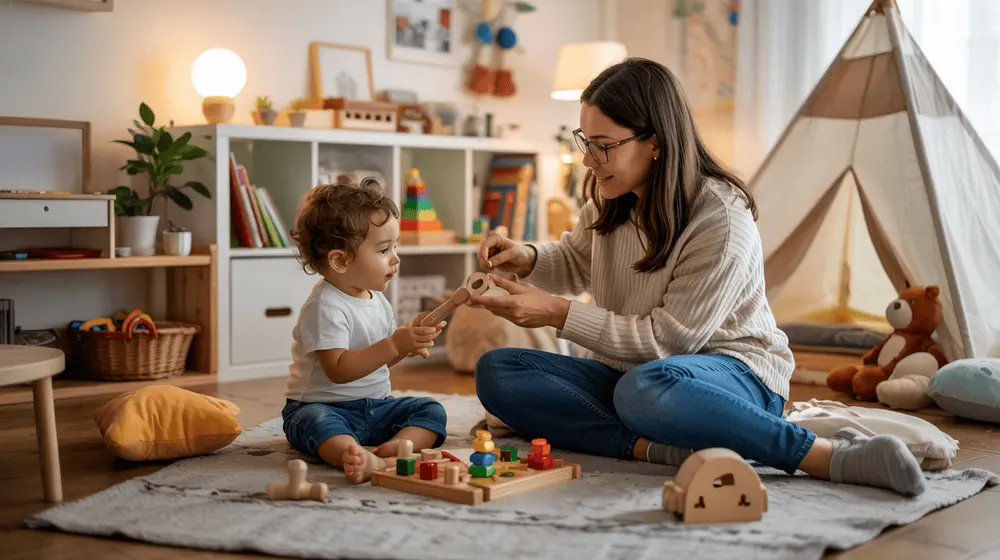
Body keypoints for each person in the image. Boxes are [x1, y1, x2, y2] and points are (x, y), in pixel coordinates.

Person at [471, 58, 926, 497]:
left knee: (644, 390)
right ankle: (654, 448)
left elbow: (669, 342)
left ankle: (820, 455)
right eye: (584, 140)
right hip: (635, 374)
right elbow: (575, 261)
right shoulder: (612, 198)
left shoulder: (721, 217)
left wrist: (554, 312)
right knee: (500, 371)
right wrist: (525, 257)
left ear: (655, 142)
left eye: (603, 145)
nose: (589, 160)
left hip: (731, 375)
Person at [281, 178, 448, 484]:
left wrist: (406, 343)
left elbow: (380, 361)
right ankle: (352, 454)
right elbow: (339, 370)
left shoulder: (378, 300)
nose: (395, 258)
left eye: (394, 247)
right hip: (323, 406)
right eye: (384, 249)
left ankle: (399, 448)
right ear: (340, 260)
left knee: (431, 410)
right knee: (313, 423)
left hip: (377, 408)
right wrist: (393, 344)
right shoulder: (325, 306)